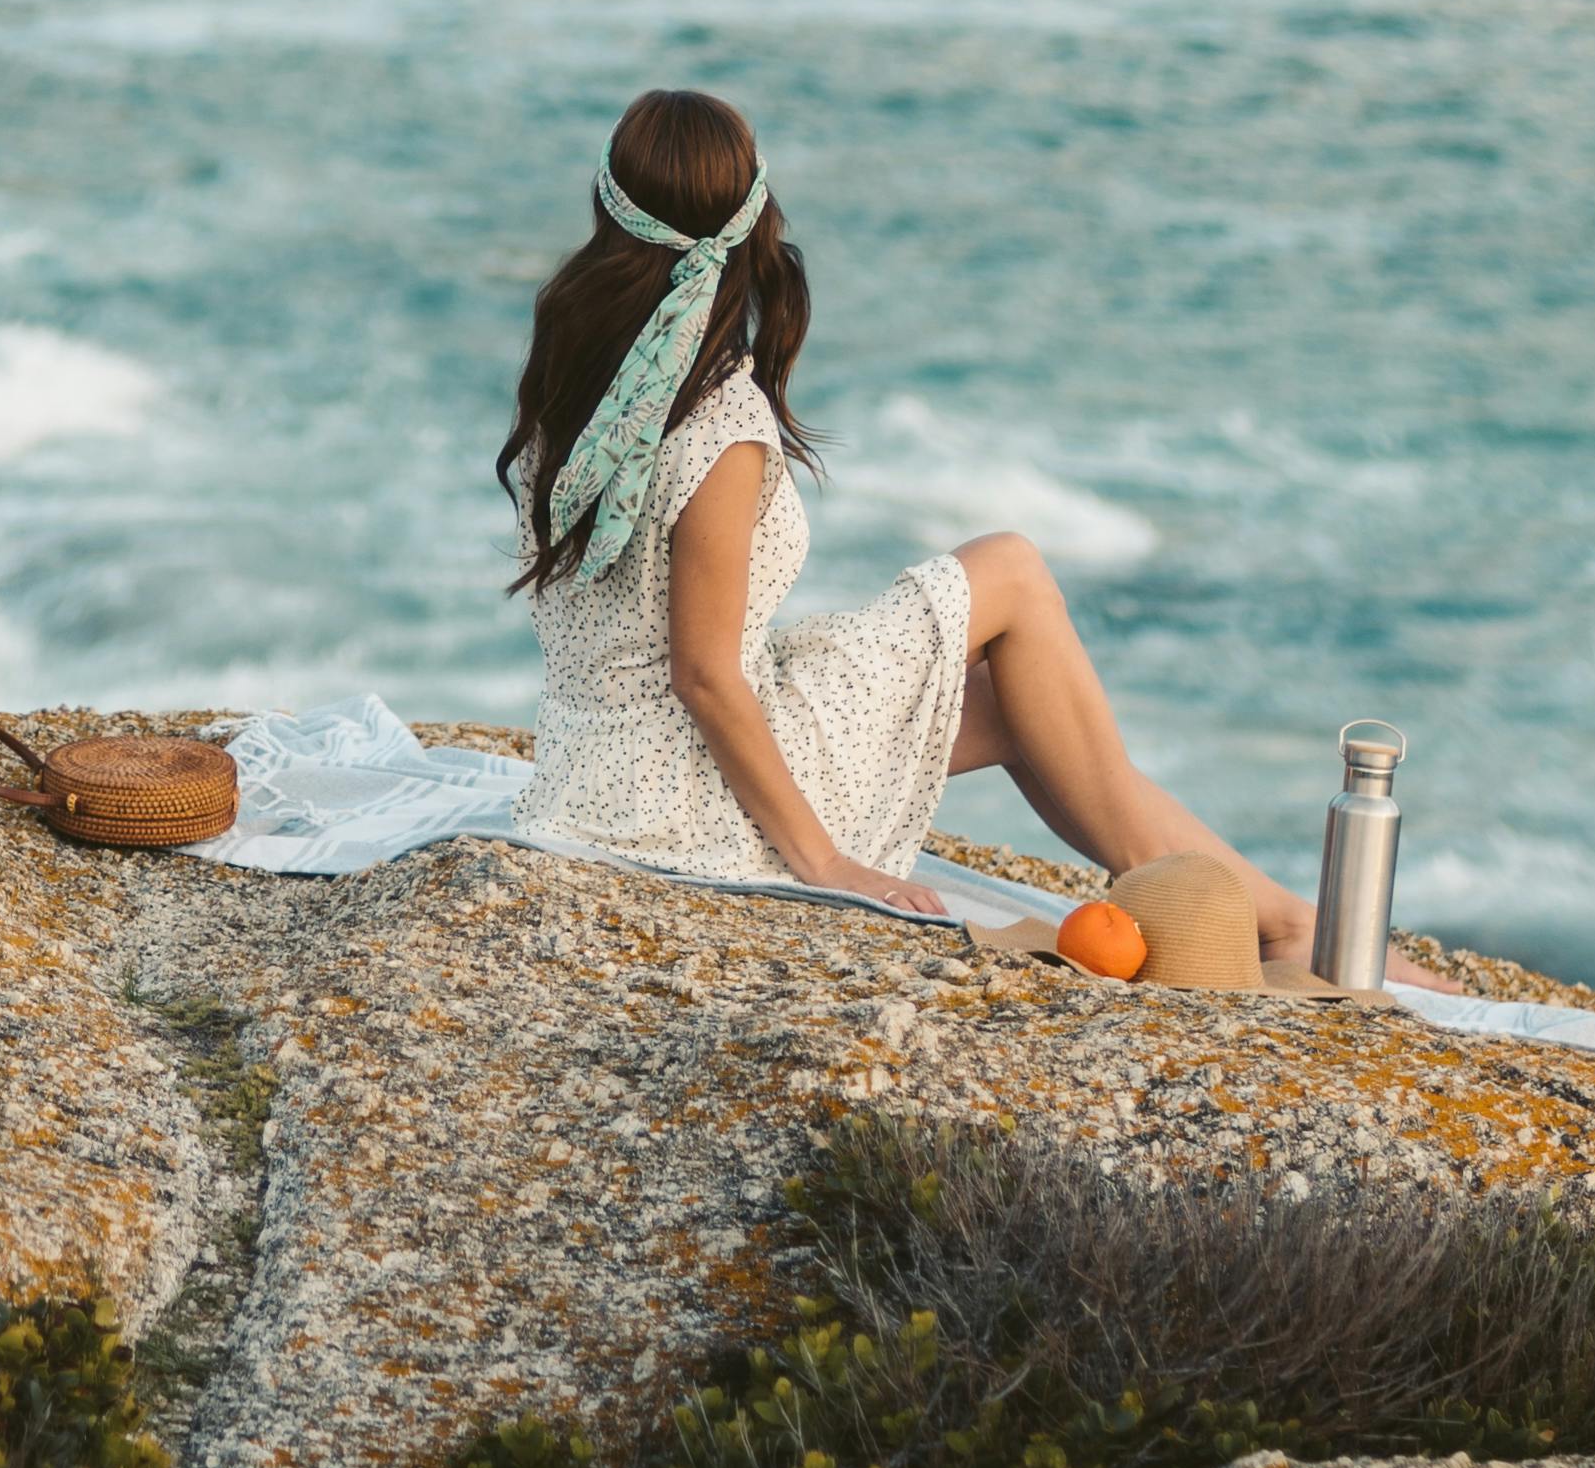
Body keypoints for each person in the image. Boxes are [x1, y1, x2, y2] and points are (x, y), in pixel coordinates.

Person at [502, 84, 1311, 958]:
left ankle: (1237, 911)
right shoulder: (716, 425)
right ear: (754, 218)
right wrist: (826, 862)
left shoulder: (570, 363)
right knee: (1010, 567)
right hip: (686, 802)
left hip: (586, 777)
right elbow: (704, 676)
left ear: (607, 209)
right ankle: (1235, 913)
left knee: (1014, 707)